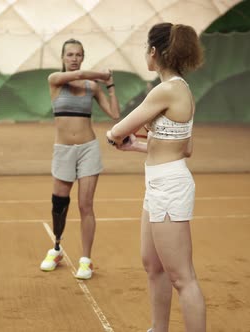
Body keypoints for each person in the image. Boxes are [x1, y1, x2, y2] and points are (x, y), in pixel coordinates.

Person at [106, 23, 206, 332]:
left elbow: (117, 129)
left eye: (146, 50)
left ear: (154, 53)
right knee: (153, 265)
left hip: (169, 186)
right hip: (159, 181)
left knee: (182, 277)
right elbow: (184, 148)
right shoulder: (179, 89)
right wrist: (137, 145)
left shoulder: (165, 90)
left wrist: (117, 137)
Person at [40, 38, 120, 280]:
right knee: (59, 205)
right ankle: (56, 249)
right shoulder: (55, 80)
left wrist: (110, 84)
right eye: (69, 54)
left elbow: (115, 114)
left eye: (78, 54)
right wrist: (102, 74)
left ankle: (86, 259)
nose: (74, 58)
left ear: (82, 56)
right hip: (63, 150)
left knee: (86, 205)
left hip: (88, 149)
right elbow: (84, 74)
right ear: (63, 58)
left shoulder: (92, 87)